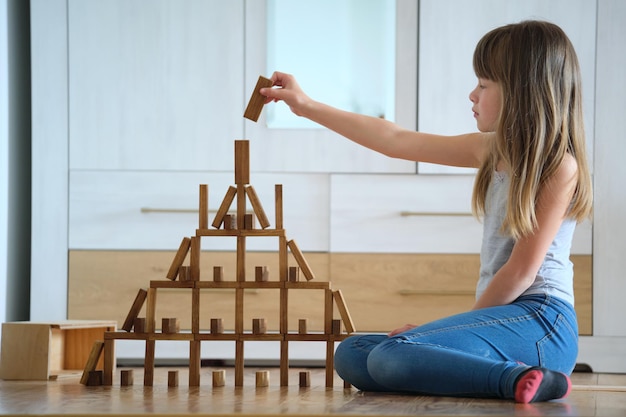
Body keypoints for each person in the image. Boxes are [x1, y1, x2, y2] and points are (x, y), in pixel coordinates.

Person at [260, 20, 593, 403]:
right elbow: (395, 140)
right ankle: (507, 374)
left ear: (521, 93)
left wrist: (445, 331)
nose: (472, 94)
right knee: (353, 354)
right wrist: (306, 106)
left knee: (389, 357)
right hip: (501, 320)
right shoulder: (492, 150)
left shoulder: (559, 167)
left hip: (542, 324)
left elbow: (520, 273)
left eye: (484, 85)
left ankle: (516, 380)